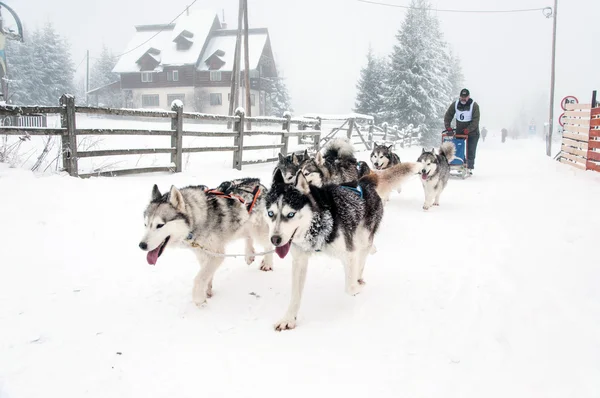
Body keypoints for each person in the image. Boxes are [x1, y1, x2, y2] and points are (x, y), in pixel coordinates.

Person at [444, 88, 481, 175]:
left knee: (470, 150)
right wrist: (448, 127)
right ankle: (460, 163)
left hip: (472, 132)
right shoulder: (455, 104)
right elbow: (448, 115)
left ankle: (469, 167)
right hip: (460, 131)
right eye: (462, 97)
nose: (463, 99)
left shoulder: (474, 105)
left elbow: (476, 120)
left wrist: (468, 129)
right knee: (458, 148)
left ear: (468, 97)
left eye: (465, 97)